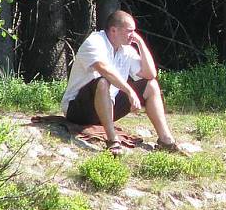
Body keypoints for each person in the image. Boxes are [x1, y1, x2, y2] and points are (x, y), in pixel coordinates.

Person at [61, 10, 181, 155]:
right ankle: (112, 141)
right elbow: (104, 70)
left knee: (151, 85)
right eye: (130, 31)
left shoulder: (126, 50)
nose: (133, 35)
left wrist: (140, 43)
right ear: (114, 30)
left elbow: (150, 74)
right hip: (78, 108)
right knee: (103, 81)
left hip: (108, 106)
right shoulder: (95, 42)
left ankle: (165, 140)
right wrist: (130, 92)